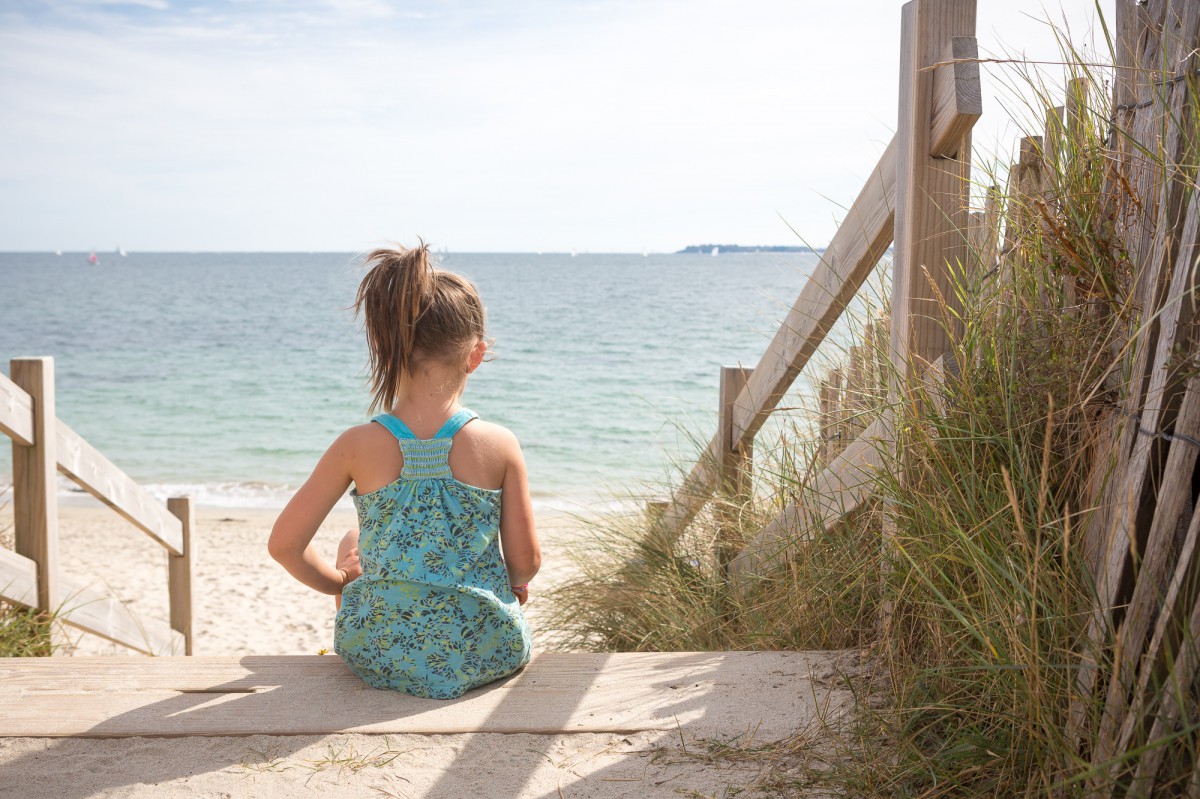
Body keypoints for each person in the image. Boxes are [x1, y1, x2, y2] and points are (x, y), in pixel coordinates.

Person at [268, 241, 540, 700]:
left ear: (386, 347)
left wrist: (341, 581)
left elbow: (284, 546)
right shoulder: (499, 444)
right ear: (475, 355)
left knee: (352, 543)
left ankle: (373, 611)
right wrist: (513, 582)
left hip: (376, 651)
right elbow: (526, 562)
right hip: (487, 648)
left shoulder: (356, 445)